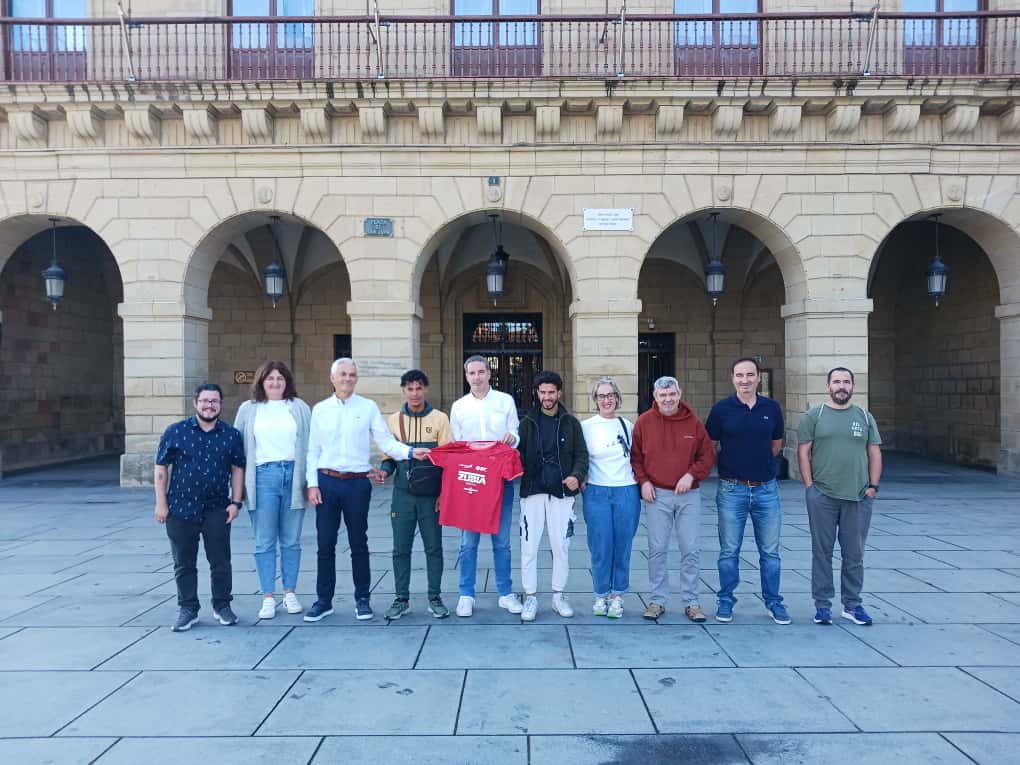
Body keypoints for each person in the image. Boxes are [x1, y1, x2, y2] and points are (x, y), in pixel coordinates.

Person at [304, 358, 428, 622]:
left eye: (352, 375)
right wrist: (312, 483)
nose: (348, 379)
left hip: (357, 484)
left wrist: (409, 452)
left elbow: (384, 440)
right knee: (325, 544)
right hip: (326, 481)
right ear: (333, 378)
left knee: (358, 543)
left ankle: (363, 599)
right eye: (343, 374)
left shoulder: (367, 407)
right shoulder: (320, 410)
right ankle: (323, 601)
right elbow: (312, 450)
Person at [154, 383, 245, 632]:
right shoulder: (175, 432)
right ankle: (188, 608)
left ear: (221, 404)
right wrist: (161, 503)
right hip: (180, 509)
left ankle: (222, 606)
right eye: (205, 401)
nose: (209, 405)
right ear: (195, 403)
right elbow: (161, 468)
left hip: (217, 507)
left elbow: (238, 469)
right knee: (184, 562)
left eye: (214, 401)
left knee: (220, 561)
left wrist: (236, 502)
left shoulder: (231, 435)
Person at [705, 357, 790, 625]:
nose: (745, 380)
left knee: (771, 552)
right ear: (732, 378)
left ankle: (774, 602)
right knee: (729, 551)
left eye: (750, 375)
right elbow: (710, 445)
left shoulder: (771, 408)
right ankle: (726, 601)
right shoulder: (722, 410)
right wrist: (728, 466)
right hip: (732, 490)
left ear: (758, 378)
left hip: (766, 489)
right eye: (740, 375)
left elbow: (776, 444)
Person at [797, 366, 883, 627]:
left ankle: (852, 605)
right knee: (821, 552)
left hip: (858, 497)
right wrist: (810, 487)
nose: (841, 386)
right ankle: (822, 605)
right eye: (836, 382)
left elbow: (875, 453)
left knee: (854, 554)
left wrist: (873, 487)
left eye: (846, 382)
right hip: (823, 496)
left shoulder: (865, 417)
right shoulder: (815, 416)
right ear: (828, 386)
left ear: (853, 387)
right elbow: (803, 453)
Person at [631, 375, 714, 622]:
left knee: (690, 548)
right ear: (655, 397)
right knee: (657, 549)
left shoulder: (694, 423)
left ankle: (691, 602)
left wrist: (691, 475)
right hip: (657, 494)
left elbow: (707, 457)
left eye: (671, 394)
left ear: (679, 394)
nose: (667, 399)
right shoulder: (644, 423)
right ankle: (657, 600)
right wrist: (643, 481)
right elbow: (635, 457)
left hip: (688, 495)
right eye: (662, 395)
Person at [233, 360, 312, 620]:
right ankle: (268, 595)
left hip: (293, 475)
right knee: (264, 541)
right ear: (261, 382)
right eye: (270, 379)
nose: (275, 383)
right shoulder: (249, 410)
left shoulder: (299, 408)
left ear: (287, 381)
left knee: (291, 540)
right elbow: (238, 451)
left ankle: (289, 591)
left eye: (280, 378)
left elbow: (311, 447)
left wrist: (311, 482)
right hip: (263, 477)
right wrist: (235, 491)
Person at [449, 355, 524, 617]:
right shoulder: (459, 406)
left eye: (481, 372)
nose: (477, 377)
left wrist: (512, 437)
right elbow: (456, 442)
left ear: (489, 374)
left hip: (500, 479)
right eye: (472, 373)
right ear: (466, 376)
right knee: (468, 543)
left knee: (502, 541)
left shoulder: (505, 401)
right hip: (471, 481)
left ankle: (505, 593)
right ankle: (466, 594)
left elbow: (515, 432)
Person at [377, 369, 453, 620]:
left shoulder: (441, 419)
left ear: (426, 389)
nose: (415, 393)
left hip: (431, 496)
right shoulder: (393, 420)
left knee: (434, 548)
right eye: (409, 388)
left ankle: (435, 597)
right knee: (400, 549)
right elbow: (389, 458)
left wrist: (444, 494)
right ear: (403, 391)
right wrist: (383, 473)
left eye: (419, 388)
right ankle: (401, 599)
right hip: (403, 495)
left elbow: (448, 462)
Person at [516, 370, 589, 622]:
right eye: (542, 392)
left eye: (551, 392)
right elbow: (518, 457)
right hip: (533, 491)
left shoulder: (571, 423)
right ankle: (531, 596)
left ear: (559, 392)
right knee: (529, 546)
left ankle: (558, 596)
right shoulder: (526, 423)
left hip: (562, 492)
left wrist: (576, 476)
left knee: (561, 547)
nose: (547, 397)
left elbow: (581, 455)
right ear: (537, 393)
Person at [580, 376, 640, 619]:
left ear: (617, 397)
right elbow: (580, 457)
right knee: (600, 545)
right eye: (601, 396)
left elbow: (636, 457)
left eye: (610, 395)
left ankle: (617, 595)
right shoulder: (586, 426)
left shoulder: (627, 424)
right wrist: (581, 478)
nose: (606, 400)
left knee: (623, 545)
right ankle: (601, 594)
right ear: (595, 400)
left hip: (626, 490)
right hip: (596, 491)